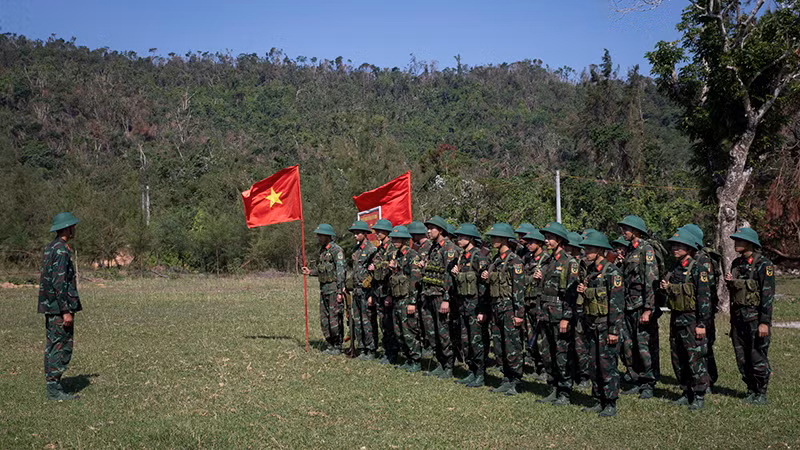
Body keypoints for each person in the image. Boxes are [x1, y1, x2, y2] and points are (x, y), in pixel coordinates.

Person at [660, 228, 710, 410]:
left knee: (694, 357)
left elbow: (704, 299)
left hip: (691, 320)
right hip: (676, 318)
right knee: (678, 356)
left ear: (689, 248)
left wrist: (702, 324)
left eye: (679, 245)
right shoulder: (674, 269)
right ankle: (685, 390)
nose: (675, 248)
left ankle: (699, 394)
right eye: (674, 245)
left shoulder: (698, 269)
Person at [576, 231, 624, 417]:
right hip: (592, 324)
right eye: (585, 248)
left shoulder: (612, 272)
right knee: (594, 364)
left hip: (606, 326)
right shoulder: (590, 272)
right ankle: (598, 398)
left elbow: (617, 304)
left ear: (601, 251)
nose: (585, 252)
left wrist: (614, 330)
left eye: (589, 249)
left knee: (607, 365)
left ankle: (610, 402)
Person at [726, 227, 775, 405]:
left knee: (757, 356)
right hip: (738, 319)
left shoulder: (764, 265)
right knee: (742, 357)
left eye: (740, 240)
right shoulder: (736, 264)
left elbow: (767, 297)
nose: (736, 243)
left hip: (755, 319)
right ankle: (750, 388)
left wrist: (764, 323)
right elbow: (735, 296)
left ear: (750, 243)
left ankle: (761, 392)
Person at [535, 222, 580, 405]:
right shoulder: (546, 260)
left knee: (562, 355)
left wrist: (566, 318)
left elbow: (572, 294)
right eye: (545, 238)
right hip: (545, 314)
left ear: (560, 240)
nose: (546, 241)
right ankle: (552, 388)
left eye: (550, 238)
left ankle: (565, 392)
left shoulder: (569, 263)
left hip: (560, 315)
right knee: (547, 353)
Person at [39, 212, 82, 401]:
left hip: (50, 306)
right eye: (72, 226)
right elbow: (59, 283)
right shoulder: (61, 250)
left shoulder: (50, 248)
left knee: (52, 345)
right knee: (60, 346)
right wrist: (66, 311)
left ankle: (53, 385)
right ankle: (54, 390)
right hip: (59, 308)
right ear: (67, 228)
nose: (74, 229)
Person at [481, 223, 526, 395]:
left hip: (509, 308)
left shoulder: (515, 261)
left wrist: (518, 313)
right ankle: (506, 378)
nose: (493, 240)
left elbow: (518, 289)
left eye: (496, 237)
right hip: (496, 307)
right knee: (499, 346)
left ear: (505, 239)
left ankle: (516, 380)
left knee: (512, 345)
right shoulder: (495, 260)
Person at [617, 215, 659, 399]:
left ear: (635, 231)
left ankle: (648, 383)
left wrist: (649, 308)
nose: (623, 232)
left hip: (641, 305)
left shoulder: (646, 250)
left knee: (644, 346)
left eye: (626, 229)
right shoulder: (629, 250)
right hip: (628, 305)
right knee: (628, 344)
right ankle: (634, 378)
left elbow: (650, 280)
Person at [681, 223, 720, 391]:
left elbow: (706, 291)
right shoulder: (690, 260)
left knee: (703, 348)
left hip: (704, 310)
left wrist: (703, 319)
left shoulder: (703, 260)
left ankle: (708, 380)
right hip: (695, 311)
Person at [419, 216, 459, 378]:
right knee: (431, 331)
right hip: (428, 295)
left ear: (440, 230)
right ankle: (440, 362)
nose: (428, 231)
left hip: (441, 296)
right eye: (427, 228)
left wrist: (446, 299)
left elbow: (449, 277)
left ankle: (449, 365)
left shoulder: (449, 248)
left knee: (443, 331)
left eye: (431, 228)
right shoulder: (432, 248)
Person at [451, 223, 489, 387]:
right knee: (466, 341)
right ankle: (471, 371)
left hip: (475, 306)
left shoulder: (478, 257)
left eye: (463, 237)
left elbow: (484, 285)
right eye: (458, 237)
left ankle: (480, 374)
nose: (459, 240)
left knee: (477, 341)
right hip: (463, 306)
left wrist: (483, 309)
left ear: (471, 238)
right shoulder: (461, 257)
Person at [303, 224, 346, 355]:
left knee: (334, 318)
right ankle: (330, 344)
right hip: (324, 289)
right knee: (324, 319)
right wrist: (310, 272)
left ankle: (337, 345)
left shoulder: (336, 251)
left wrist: (340, 291)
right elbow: (322, 270)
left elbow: (340, 272)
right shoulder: (322, 251)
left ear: (327, 236)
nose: (318, 238)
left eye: (320, 235)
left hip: (333, 290)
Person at [386, 226, 423, 372]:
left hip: (407, 298)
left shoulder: (412, 255)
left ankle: (416, 360)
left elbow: (415, 279)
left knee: (409, 331)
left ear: (404, 240)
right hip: (397, 297)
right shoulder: (396, 255)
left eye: (397, 239)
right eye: (393, 238)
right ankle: (408, 358)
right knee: (399, 331)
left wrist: (412, 302)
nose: (394, 241)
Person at [521, 228, 550, 381]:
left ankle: (546, 368)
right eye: (528, 242)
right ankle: (537, 366)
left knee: (541, 338)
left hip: (539, 302)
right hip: (528, 301)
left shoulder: (546, 260)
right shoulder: (527, 259)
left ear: (539, 243)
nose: (528, 245)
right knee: (530, 335)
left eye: (532, 242)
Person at [368, 219, 399, 364]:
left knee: (390, 324)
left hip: (388, 292)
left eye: (379, 231)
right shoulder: (379, 250)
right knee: (383, 323)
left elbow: (394, 273)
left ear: (387, 232)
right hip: (378, 291)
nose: (377, 234)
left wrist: (389, 295)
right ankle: (387, 351)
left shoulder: (392, 249)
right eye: (376, 231)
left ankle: (392, 353)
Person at [348, 221, 379, 359]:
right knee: (358, 320)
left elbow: (374, 275)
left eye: (358, 233)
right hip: (356, 290)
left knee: (368, 320)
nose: (355, 235)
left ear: (365, 234)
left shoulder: (372, 250)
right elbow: (354, 270)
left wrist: (372, 294)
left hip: (367, 290)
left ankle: (371, 348)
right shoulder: (355, 250)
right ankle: (361, 347)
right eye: (354, 233)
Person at [566, 231, 591, 389]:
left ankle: (585, 375)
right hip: (571, 307)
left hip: (581, 309)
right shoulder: (568, 262)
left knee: (581, 343)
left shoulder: (581, 264)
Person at [409, 221, 433, 356]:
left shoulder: (427, 247)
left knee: (427, 321)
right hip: (420, 289)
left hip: (428, 289)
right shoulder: (421, 247)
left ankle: (429, 346)